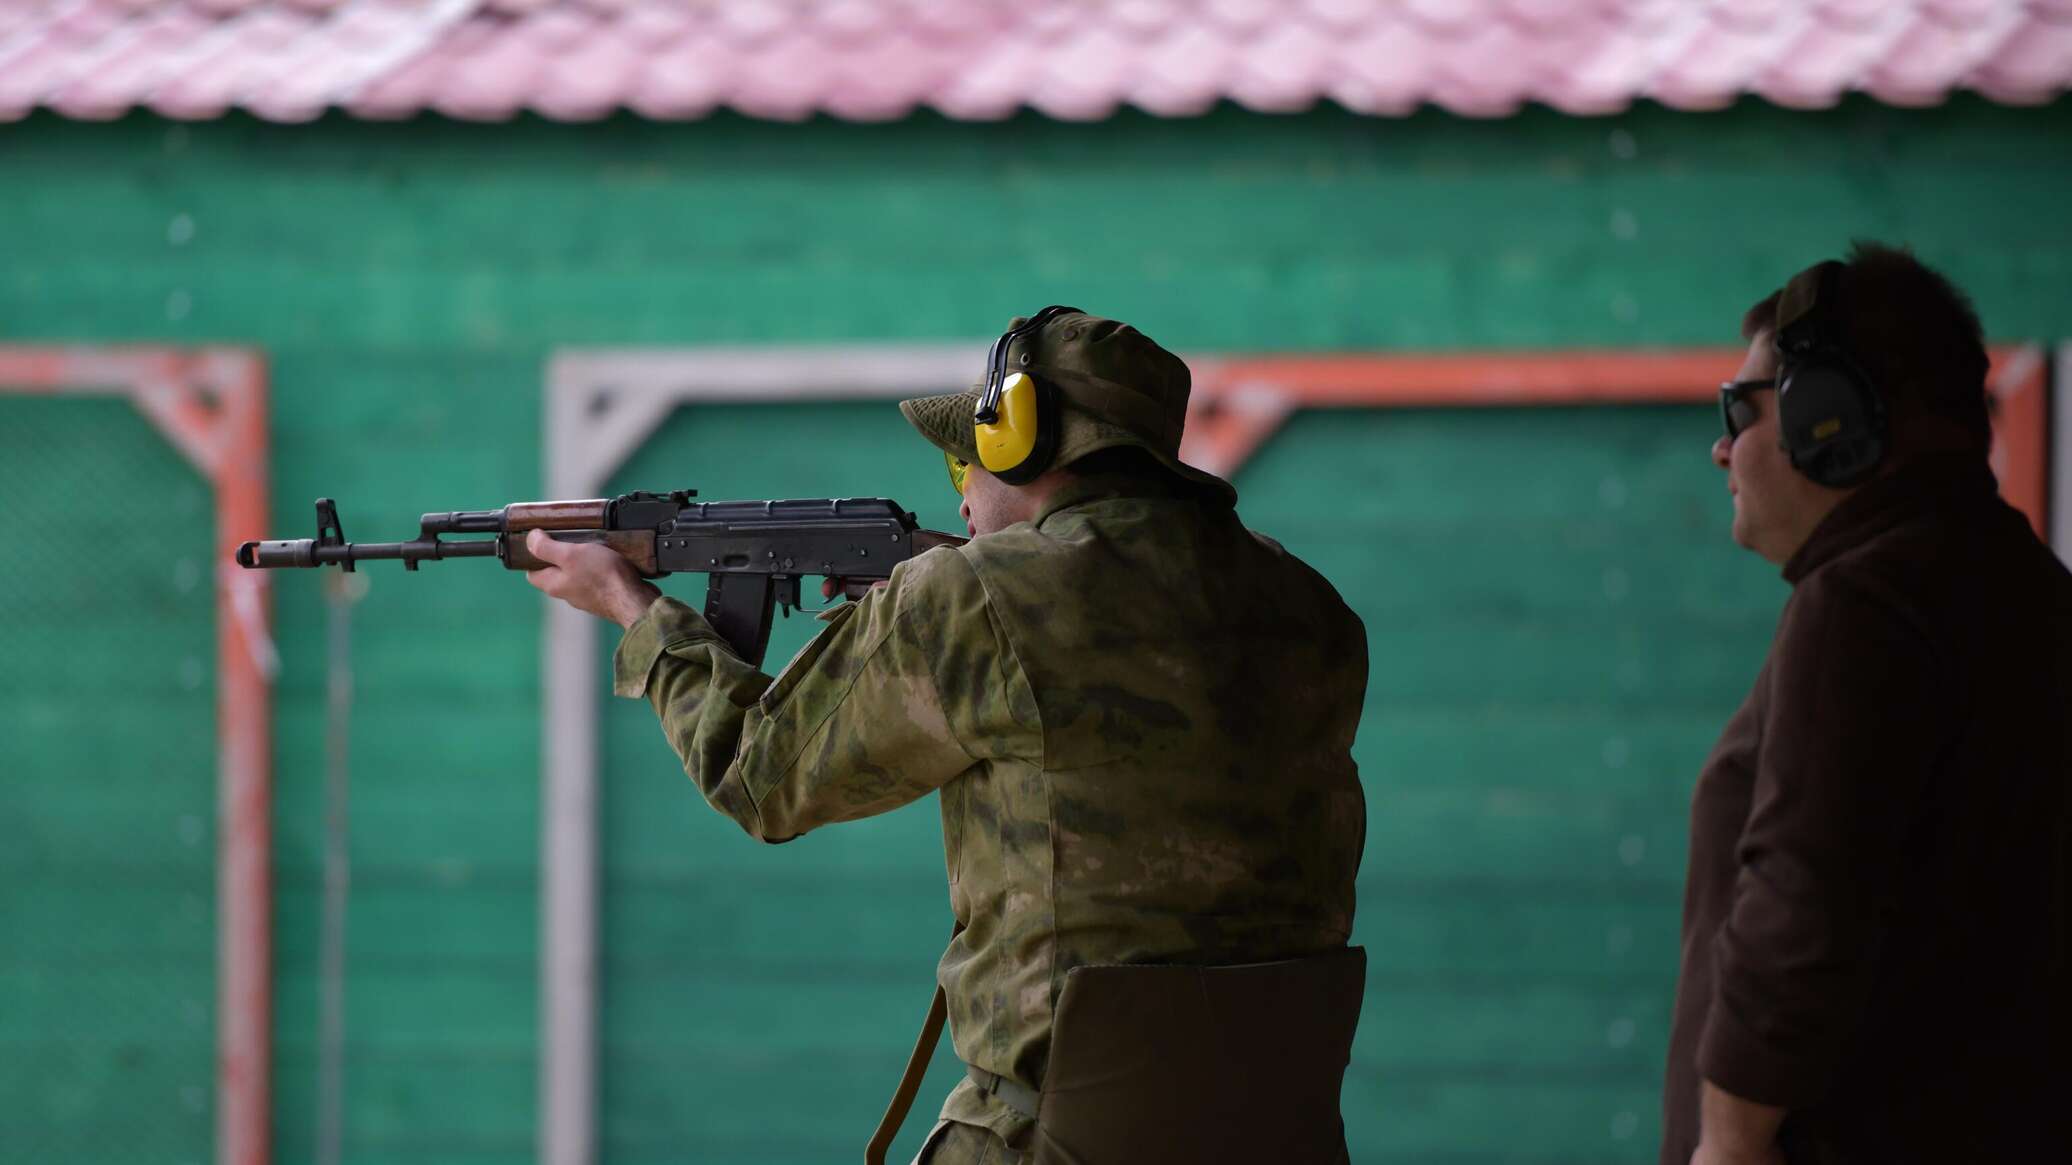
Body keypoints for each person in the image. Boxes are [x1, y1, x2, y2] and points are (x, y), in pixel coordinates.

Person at [525, 308, 1370, 1164]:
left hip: (1057, 1141)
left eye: (964, 457)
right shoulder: (1310, 609)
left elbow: (758, 778)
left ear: (1021, 443)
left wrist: (635, 611)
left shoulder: (972, 597)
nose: (960, 492)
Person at [1661, 243, 2072, 1165]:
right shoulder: (2027, 591)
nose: (1721, 446)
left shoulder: (1865, 603)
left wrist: (1726, 1144)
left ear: (1828, 419)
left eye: (1744, 408)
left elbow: (1799, 906)